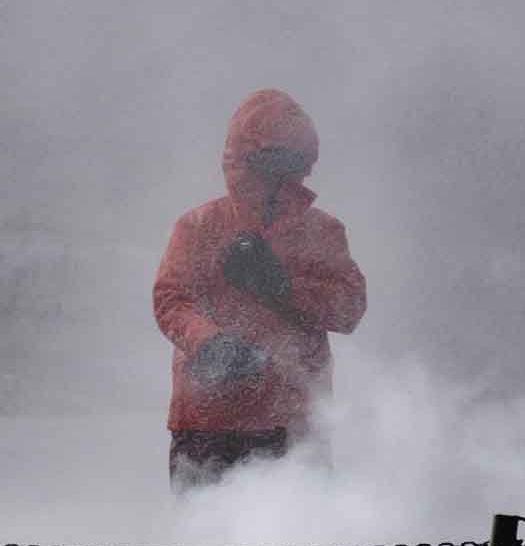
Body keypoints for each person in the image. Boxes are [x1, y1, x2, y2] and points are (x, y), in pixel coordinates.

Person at [151, 88, 367, 487]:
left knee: (301, 542)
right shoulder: (197, 227)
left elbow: (349, 308)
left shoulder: (323, 232)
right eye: (268, 161)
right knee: (208, 545)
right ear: (241, 160)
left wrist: (282, 287)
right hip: (207, 424)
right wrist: (211, 343)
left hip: (291, 422)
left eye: (291, 162)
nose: (281, 176)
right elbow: (171, 300)